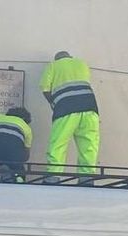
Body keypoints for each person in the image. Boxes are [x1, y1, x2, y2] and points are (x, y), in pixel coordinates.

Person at [40, 51, 100, 180]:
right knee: (89, 145)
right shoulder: (82, 64)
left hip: (66, 108)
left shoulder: (53, 65)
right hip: (90, 107)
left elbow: (45, 89)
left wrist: (53, 103)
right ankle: (87, 178)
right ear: (70, 57)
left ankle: (53, 176)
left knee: (58, 144)